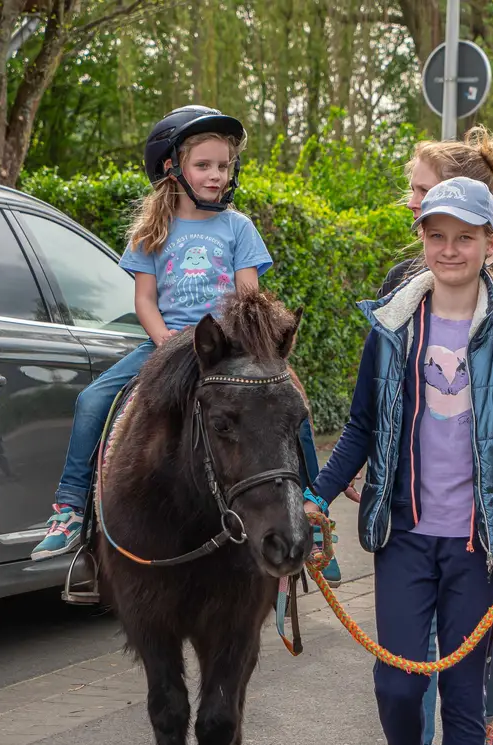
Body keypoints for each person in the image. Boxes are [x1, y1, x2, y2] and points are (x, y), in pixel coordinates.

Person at [305, 177, 493, 745]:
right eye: (437, 236)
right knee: (397, 683)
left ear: (489, 247)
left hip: (479, 547)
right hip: (404, 536)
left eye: (465, 238)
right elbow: (358, 428)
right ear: (423, 242)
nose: (449, 249)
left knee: (464, 699)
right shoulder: (390, 329)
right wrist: (316, 495)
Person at [29, 105, 339, 581]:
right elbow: (145, 301)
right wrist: (170, 345)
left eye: (223, 166)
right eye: (204, 165)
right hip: (166, 345)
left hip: (232, 350)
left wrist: (244, 346)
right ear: (173, 169)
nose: (216, 175)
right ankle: (73, 509)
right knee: (93, 400)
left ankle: (311, 510)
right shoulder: (153, 232)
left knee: (287, 402)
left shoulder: (239, 228)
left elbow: (249, 296)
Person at [378, 125, 493, 745]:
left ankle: (482, 724)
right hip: (420, 505)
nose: (412, 203)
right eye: (420, 203)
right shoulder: (405, 278)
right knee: (414, 641)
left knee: (485, 627)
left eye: (420, 188)